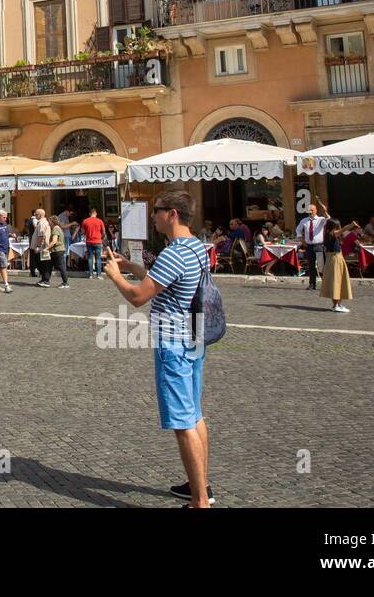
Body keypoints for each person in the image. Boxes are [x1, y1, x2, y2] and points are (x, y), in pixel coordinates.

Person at [103, 190, 213, 508]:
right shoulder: (195, 247)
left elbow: (139, 297)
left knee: (182, 423)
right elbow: (161, 281)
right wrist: (131, 266)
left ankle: (200, 502)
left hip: (174, 344)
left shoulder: (173, 253)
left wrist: (114, 276)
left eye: (158, 211)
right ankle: (200, 484)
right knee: (195, 415)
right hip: (194, 337)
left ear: (172, 214)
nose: (154, 216)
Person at [320, 218, 353, 312]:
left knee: (339, 281)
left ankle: (338, 304)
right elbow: (343, 230)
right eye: (338, 226)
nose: (340, 228)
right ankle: (336, 306)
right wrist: (352, 224)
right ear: (335, 227)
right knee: (336, 281)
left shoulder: (327, 233)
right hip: (335, 259)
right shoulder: (333, 234)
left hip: (334, 258)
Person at [296, 203, 328, 291]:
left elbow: (328, 219)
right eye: (309, 210)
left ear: (316, 211)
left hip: (319, 246)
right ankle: (312, 284)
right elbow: (298, 229)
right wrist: (301, 239)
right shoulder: (304, 220)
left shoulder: (320, 219)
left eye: (312, 210)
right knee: (311, 266)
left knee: (321, 266)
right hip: (309, 246)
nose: (310, 212)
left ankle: (325, 284)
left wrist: (325, 211)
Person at [81, 206, 106, 279]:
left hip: (89, 241)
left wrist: (87, 234)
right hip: (97, 241)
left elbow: (82, 232)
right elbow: (104, 232)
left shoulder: (85, 221)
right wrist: (101, 237)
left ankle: (91, 275)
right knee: (98, 258)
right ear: (96, 213)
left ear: (90, 213)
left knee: (90, 258)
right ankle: (99, 275)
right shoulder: (100, 221)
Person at [0, 210, 13, 293]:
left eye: (6, 217)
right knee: (4, 267)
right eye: (4, 217)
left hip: (5, 248)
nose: (5, 219)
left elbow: (6, 233)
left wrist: (11, 235)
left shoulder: (4, 224)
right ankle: (6, 285)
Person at [33, 208, 54, 287]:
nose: (35, 215)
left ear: (40, 215)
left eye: (36, 214)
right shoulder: (41, 222)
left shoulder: (42, 223)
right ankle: (44, 279)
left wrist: (38, 246)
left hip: (42, 247)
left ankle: (46, 280)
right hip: (42, 246)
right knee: (41, 263)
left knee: (42, 264)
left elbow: (41, 236)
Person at [50, 214, 68, 288]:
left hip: (57, 250)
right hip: (60, 249)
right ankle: (46, 280)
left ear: (52, 222)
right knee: (57, 265)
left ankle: (65, 282)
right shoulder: (59, 228)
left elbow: (54, 241)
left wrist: (47, 248)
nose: (48, 223)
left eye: (49, 221)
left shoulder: (55, 229)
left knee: (61, 266)